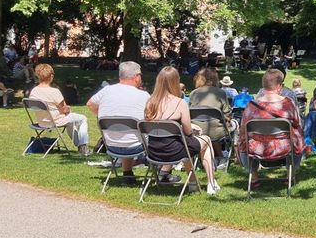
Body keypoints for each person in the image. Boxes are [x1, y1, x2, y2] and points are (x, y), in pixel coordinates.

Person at [87, 61, 168, 185]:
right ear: (136, 77)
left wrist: (102, 115)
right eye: (140, 75)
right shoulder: (143, 95)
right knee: (149, 133)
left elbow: (90, 104)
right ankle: (164, 172)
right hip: (136, 146)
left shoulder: (106, 90)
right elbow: (152, 118)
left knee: (127, 132)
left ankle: (128, 173)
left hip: (111, 144)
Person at [144, 66, 219, 195]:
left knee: (187, 142)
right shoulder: (180, 103)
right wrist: (192, 128)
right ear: (175, 82)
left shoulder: (150, 102)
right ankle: (211, 183)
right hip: (175, 151)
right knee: (204, 140)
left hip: (154, 151)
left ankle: (193, 183)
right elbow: (188, 132)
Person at [237, 68, 305, 189]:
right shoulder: (288, 104)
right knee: (298, 135)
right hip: (284, 147)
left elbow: (243, 130)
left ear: (263, 86)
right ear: (280, 86)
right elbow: (297, 123)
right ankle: (291, 175)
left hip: (256, 148)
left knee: (242, 141)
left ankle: (254, 177)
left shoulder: (251, 106)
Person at [28, 64, 90, 155]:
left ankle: (80, 146)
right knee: (83, 118)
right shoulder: (54, 91)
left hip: (41, 122)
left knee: (70, 122)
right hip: (56, 121)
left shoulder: (34, 91)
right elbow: (64, 110)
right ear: (51, 76)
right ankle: (83, 146)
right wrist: (68, 109)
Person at [189, 67, 235, 160]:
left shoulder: (193, 93)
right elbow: (227, 113)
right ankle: (232, 154)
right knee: (235, 125)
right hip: (217, 131)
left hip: (197, 130)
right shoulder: (220, 92)